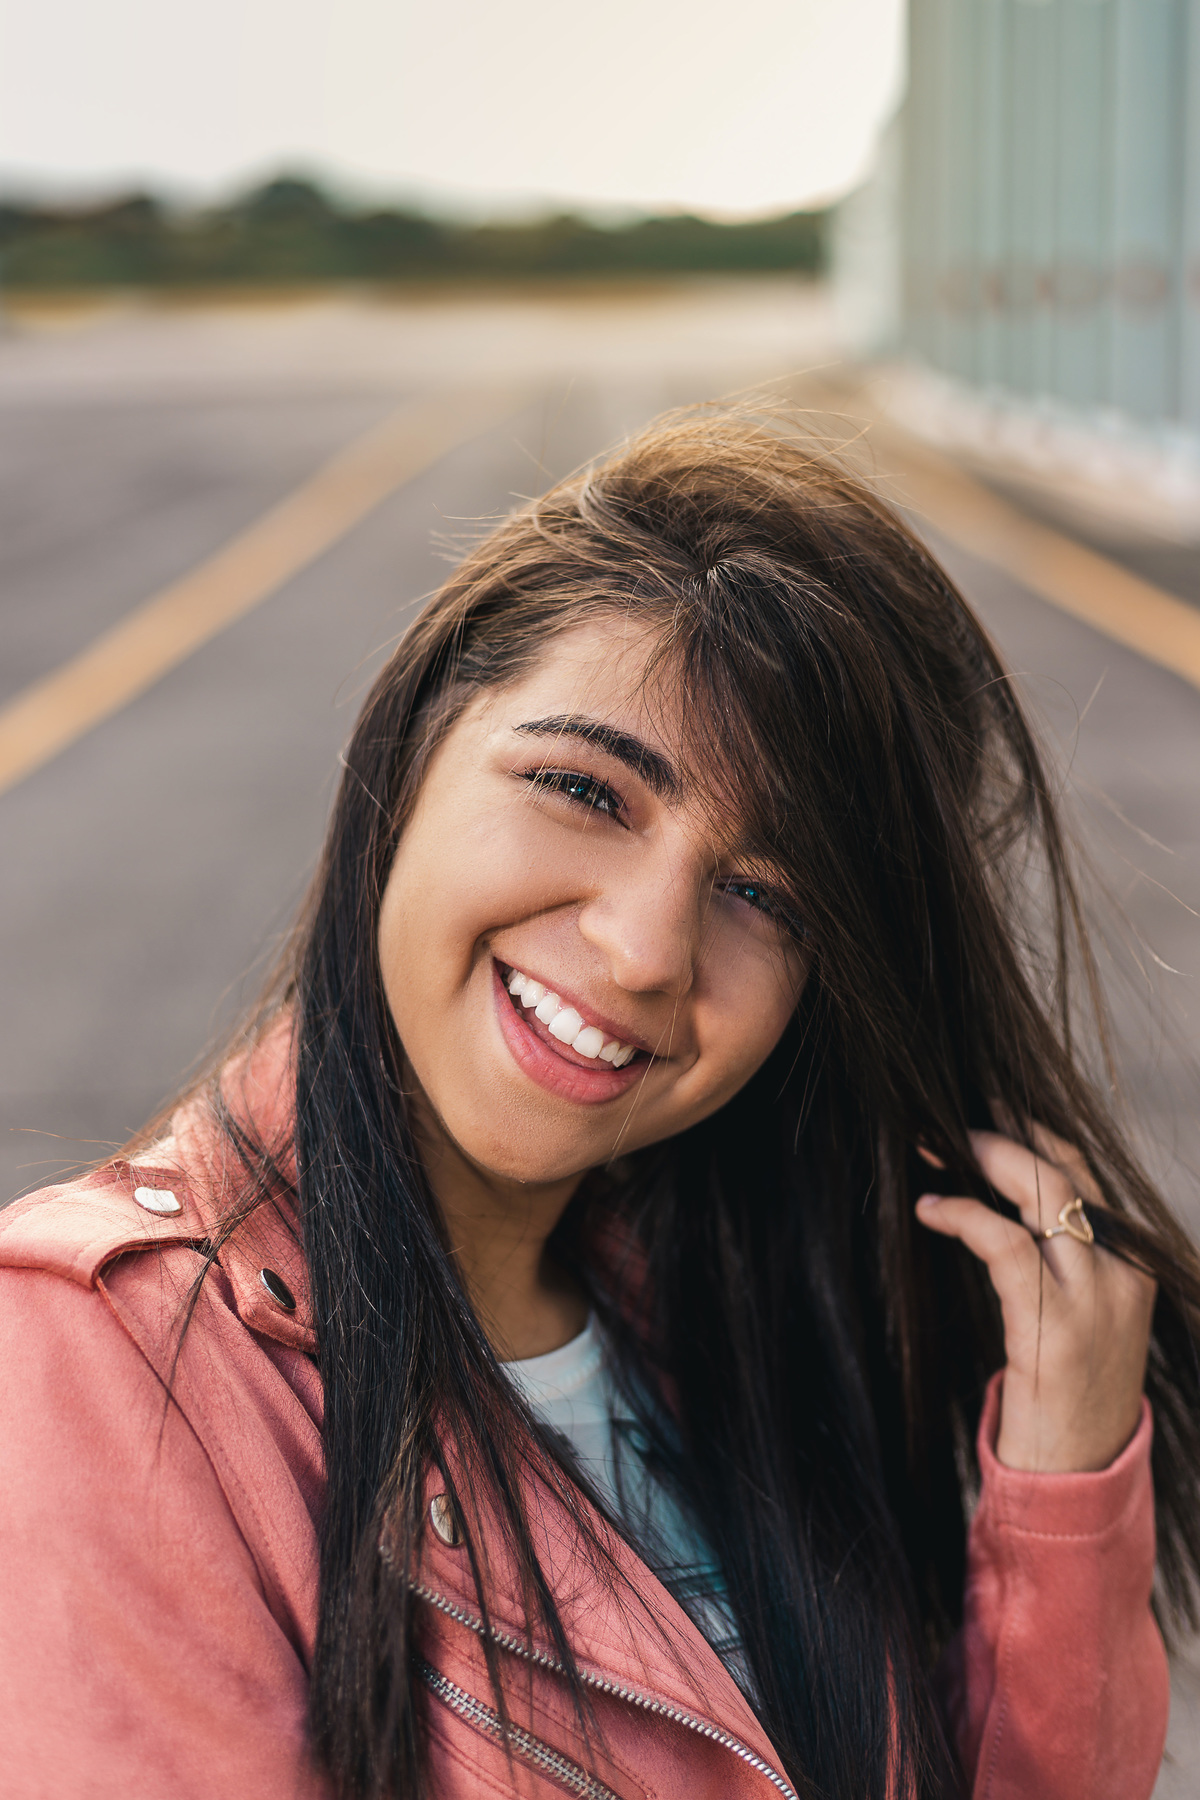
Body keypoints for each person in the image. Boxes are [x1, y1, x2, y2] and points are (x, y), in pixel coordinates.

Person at [1, 409, 1197, 1800]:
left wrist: (1061, 1494)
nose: (646, 951)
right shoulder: (97, 1361)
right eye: (584, 789)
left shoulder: (738, 1309)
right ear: (413, 751)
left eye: (766, 896)